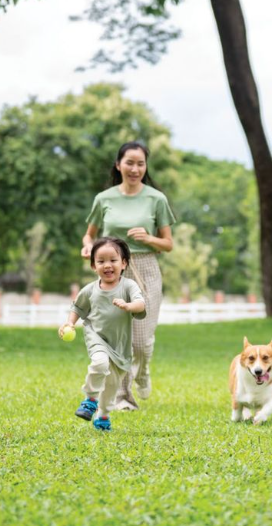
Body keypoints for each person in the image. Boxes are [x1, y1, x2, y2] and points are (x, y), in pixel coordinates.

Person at [81, 141, 175, 410]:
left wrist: (148, 238)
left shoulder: (157, 199)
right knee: (118, 337)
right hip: (113, 271)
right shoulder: (104, 199)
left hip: (146, 267)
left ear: (145, 167)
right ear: (118, 165)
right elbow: (90, 233)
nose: (135, 169)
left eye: (141, 163)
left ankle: (142, 371)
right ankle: (123, 397)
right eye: (130, 163)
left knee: (141, 341)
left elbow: (168, 244)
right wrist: (88, 245)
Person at [61, 237, 146, 431]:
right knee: (99, 363)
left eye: (113, 260)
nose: (107, 265)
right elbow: (77, 308)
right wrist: (69, 323)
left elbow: (140, 304)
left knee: (112, 386)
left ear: (123, 263)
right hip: (96, 336)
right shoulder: (90, 290)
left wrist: (128, 305)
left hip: (120, 345)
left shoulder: (128, 286)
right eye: (101, 261)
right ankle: (90, 400)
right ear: (93, 266)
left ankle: (103, 415)